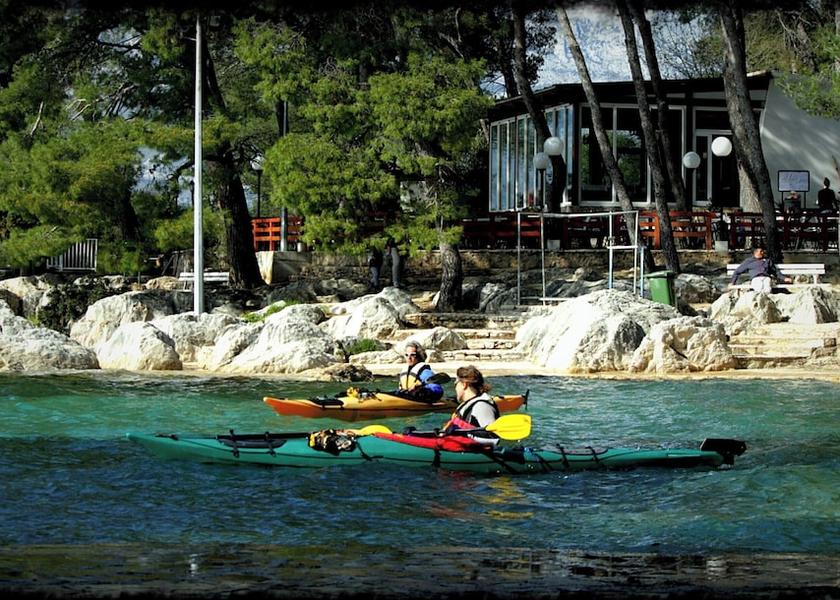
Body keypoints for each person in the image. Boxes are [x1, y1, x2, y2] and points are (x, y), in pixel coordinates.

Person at [442, 365, 500, 446]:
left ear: (464, 384)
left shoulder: (481, 406)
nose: (455, 389)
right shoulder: (465, 404)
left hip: (475, 454)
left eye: (456, 384)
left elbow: (492, 437)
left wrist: (466, 431)